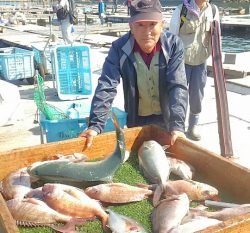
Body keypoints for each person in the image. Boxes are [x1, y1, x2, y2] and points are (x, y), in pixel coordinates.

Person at [80, 0, 188, 147]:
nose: (147, 32)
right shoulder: (119, 48)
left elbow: (178, 86)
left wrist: (178, 126)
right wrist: (95, 125)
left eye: (152, 24)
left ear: (162, 24)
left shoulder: (174, 45)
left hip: (168, 119)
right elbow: (107, 85)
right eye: (140, 25)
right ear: (131, 26)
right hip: (136, 119)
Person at [169, 0, 220, 141]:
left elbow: (216, 39)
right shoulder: (181, 10)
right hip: (181, 62)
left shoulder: (213, 11)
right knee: (178, 95)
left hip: (201, 62)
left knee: (197, 96)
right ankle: (177, 126)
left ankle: (193, 126)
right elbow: (171, 37)